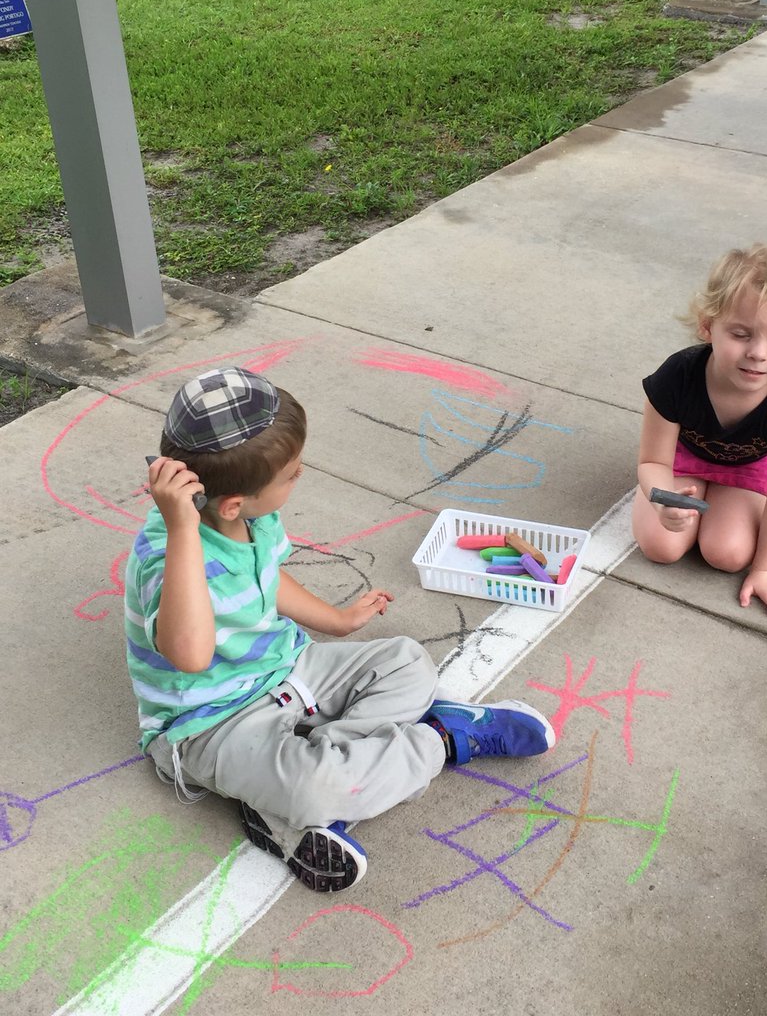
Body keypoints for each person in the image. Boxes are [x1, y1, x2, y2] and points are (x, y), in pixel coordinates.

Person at [124, 367, 555, 893]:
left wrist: (338, 619)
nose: (299, 476)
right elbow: (189, 654)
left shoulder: (251, 520)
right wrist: (182, 531)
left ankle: (304, 788)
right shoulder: (166, 555)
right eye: (292, 474)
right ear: (233, 502)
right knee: (321, 784)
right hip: (211, 725)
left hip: (287, 669)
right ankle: (440, 738)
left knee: (405, 660)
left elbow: (266, 579)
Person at [631, 245, 767, 622]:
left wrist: (766, 570)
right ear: (708, 326)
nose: (757, 352)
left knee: (729, 554)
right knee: (660, 546)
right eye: (740, 333)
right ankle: (693, 502)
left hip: (746, 470)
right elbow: (652, 460)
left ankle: (722, 505)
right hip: (682, 460)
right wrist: (662, 499)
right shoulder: (679, 375)